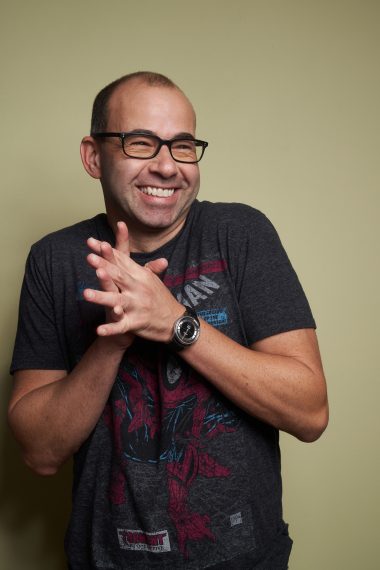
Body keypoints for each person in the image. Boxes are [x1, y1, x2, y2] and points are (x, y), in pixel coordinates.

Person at [8, 71, 328, 569]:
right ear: (94, 156)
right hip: (105, 559)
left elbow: (310, 413)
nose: (167, 166)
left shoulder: (240, 233)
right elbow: (40, 452)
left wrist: (176, 322)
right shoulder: (54, 259)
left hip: (247, 557)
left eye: (182, 146)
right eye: (141, 143)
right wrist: (113, 341)